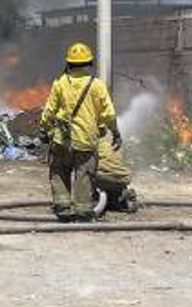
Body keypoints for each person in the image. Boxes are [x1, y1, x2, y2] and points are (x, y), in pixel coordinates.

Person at [40, 42, 122, 222]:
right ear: (89, 63)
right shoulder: (97, 85)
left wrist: (43, 129)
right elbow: (108, 114)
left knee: (59, 172)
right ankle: (83, 213)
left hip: (62, 140)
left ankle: (62, 209)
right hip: (86, 140)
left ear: (68, 63)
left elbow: (49, 112)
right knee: (84, 177)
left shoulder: (60, 83)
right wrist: (115, 133)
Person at [93, 133, 138, 214]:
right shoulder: (117, 143)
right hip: (123, 179)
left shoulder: (94, 143)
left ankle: (93, 201)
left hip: (102, 178)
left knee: (85, 176)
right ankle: (123, 197)